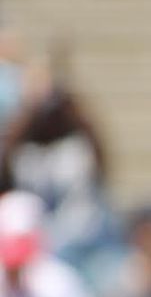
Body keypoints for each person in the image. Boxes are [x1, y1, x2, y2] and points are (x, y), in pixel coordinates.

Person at [0, 78, 122, 280]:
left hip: (79, 252)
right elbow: (5, 167)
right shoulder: (24, 154)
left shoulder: (78, 152)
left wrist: (72, 108)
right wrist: (31, 110)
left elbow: (100, 162)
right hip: (27, 255)